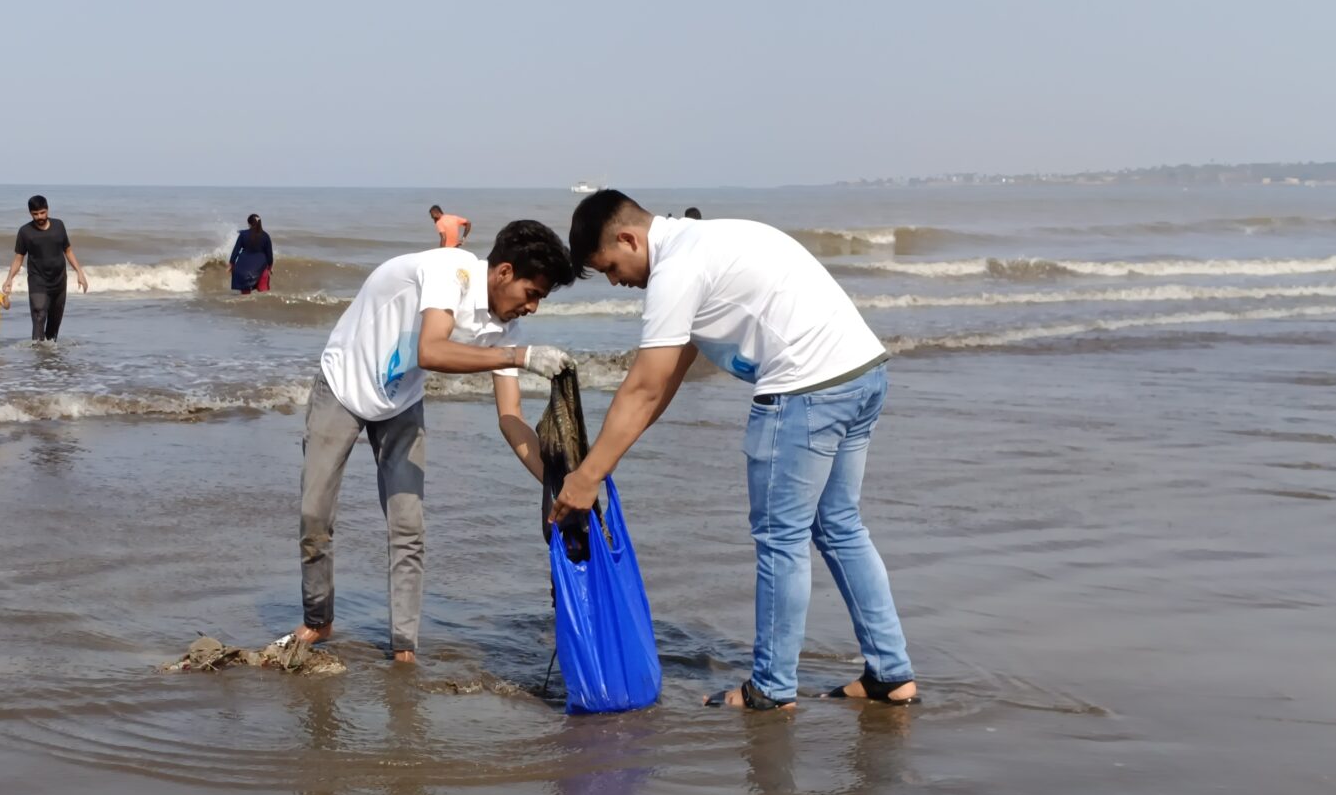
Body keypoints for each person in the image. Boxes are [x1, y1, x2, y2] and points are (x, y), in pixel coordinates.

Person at [550, 190, 911, 711]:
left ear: (629, 238)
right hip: (863, 374)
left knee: (780, 539)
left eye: (610, 266)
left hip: (804, 391)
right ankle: (890, 672)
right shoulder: (710, 243)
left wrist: (585, 478)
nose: (616, 281)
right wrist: (603, 463)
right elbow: (667, 381)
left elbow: (643, 387)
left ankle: (770, 688)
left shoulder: (675, 270)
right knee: (840, 526)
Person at [283, 220, 581, 666]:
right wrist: (521, 357)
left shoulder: (505, 332)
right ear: (502, 272)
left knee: (408, 526)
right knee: (314, 515)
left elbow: (511, 418)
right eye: (531, 293)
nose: (533, 307)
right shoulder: (451, 271)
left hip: (401, 400)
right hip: (343, 383)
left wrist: (559, 482)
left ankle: (404, 647)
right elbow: (431, 351)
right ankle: (318, 618)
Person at [4, 195, 89, 340]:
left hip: (59, 280)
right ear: (30, 213)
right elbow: (19, 258)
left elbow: (68, 250)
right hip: (38, 280)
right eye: (35, 214)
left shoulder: (59, 226)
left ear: (47, 210)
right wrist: (9, 278)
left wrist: (79, 272)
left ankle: (49, 359)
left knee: (54, 323)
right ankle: (37, 352)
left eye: (42, 212)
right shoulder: (25, 232)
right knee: (39, 314)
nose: (39, 217)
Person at [230, 213, 275, 295]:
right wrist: (270, 267)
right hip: (261, 268)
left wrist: (231, 264)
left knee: (245, 296)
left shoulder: (243, 235)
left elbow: (235, 251)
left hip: (244, 270)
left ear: (249, 223)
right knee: (263, 294)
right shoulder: (266, 236)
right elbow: (270, 256)